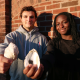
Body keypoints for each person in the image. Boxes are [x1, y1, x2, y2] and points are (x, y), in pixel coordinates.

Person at [24, 12, 80, 80]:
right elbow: (49, 55)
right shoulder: (53, 42)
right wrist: (41, 66)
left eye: (64, 22)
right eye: (58, 24)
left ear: (71, 23)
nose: (61, 26)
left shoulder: (78, 42)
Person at [0, 6, 47, 80]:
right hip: (16, 78)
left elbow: (47, 56)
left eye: (31, 17)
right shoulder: (12, 36)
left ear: (35, 19)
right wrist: (0, 55)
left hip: (36, 78)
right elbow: (4, 46)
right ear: (21, 18)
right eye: (25, 17)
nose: (28, 19)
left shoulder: (42, 38)